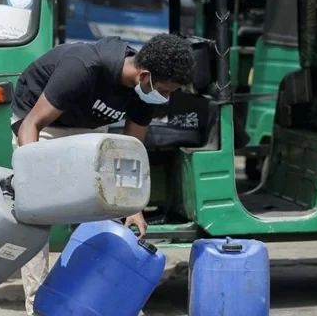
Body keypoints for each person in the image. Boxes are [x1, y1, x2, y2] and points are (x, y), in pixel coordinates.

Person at [10, 33, 195, 315]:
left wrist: (132, 205)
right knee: (36, 216)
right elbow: (30, 125)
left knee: (107, 206)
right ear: (145, 76)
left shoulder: (145, 93)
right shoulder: (82, 67)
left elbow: (130, 148)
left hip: (89, 128)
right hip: (43, 124)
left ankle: (98, 300)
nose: (166, 98)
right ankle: (38, 306)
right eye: (166, 91)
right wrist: (34, 180)